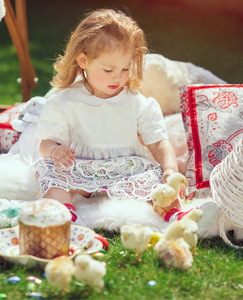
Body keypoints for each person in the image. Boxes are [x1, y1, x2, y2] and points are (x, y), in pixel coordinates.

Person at [33, 8, 218, 231]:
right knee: (47, 168)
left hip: (126, 168)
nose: (118, 77)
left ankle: (177, 216)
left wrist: (170, 169)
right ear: (83, 61)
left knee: (156, 176)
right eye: (109, 69)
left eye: (125, 68)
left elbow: (159, 142)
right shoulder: (65, 102)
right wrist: (54, 151)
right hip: (80, 168)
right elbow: (45, 144)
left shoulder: (137, 103)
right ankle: (64, 216)